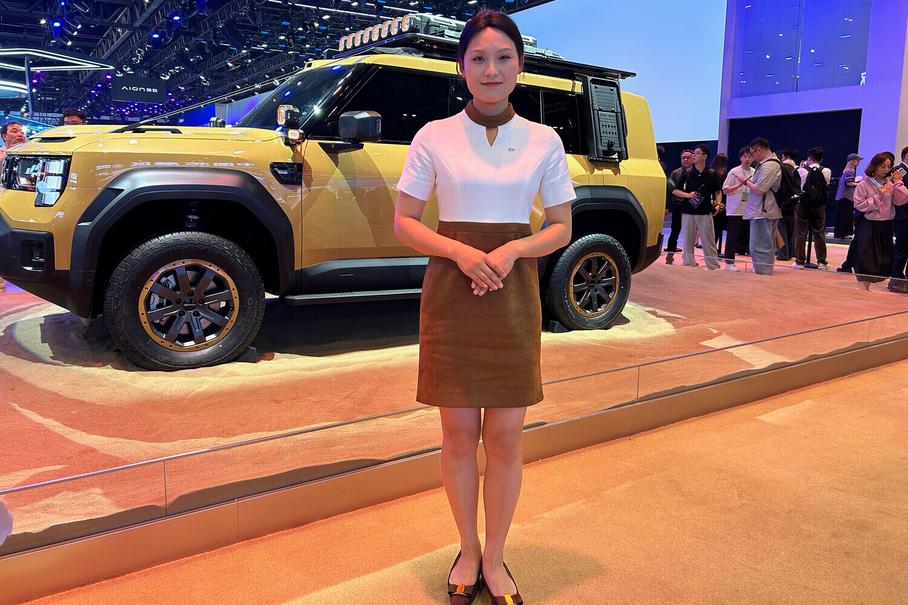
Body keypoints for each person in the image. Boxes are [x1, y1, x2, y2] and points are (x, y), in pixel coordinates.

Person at [393, 10, 575, 604]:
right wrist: (461, 253)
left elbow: (560, 226)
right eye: (479, 58)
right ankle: (467, 550)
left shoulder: (544, 140)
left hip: (512, 293)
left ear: (520, 66)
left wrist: (513, 249)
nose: (491, 69)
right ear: (462, 67)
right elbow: (405, 221)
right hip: (453, 290)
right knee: (456, 432)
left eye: (502, 58)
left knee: (506, 434)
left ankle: (495, 557)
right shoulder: (433, 135)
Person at [852, 152, 908, 290]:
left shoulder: (890, 184)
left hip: (886, 224)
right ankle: (863, 289)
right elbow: (860, 205)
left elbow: (902, 200)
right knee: (867, 258)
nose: (886, 169)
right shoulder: (864, 184)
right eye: (882, 166)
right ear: (875, 166)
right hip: (869, 225)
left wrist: (898, 182)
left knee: (883, 259)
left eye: (889, 166)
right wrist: (878, 195)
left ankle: (867, 288)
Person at [672, 144, 721, 270]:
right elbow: (675, 191)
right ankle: (689, 264)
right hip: (688, 212)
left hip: (705, 212)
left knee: (708, 241)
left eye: (697, 153)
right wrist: (688, 195)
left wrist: (717, 204)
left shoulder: (711, 173)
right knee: (688, 240)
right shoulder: (687, 173)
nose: (694, 156)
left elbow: (718, 191)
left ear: (704, 156)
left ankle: (713, 266)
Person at [742, 138, 783, 275]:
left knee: (760, 247)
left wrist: (745, 182)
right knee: (763, 245)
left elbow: (760, 190)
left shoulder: (769, 166)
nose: (752, 157)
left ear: (759, 150)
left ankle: (763, 275)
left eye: (752, 153)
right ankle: (763, 274)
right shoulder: (767, 164)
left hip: (763, 211)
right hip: (763, 210)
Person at [794, 147, 833, 268]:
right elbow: (826, 185)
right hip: (819, 205)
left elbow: (797, 185)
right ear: (821, 159)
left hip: (803, 205)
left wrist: (802, 167)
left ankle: (800, 261)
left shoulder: (801, 171)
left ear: (809, 158)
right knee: (819, 233)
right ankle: (822, 261)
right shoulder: (827, 171)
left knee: (801, 233)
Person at [721, 146, 755, 271]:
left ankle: (755, 264)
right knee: (732, 237)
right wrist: (738, 185)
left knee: (751, 238)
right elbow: (724, 190)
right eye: (745, 156)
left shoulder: (755, 172)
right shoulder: (734, 172)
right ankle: (729, 262)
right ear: (741, 158)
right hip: (735, 210)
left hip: (750, 210)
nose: (747, 159)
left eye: (750, 156)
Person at [665, 149, 693, 264]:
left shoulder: (697, 173)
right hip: (678, 205)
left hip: (692, 206)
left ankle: (688, 258)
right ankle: (669, 256)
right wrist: (667, 206)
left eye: (688, 157)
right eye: (683, 158)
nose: (685, 160)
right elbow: (669, 191)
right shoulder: (675, 173)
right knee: (675, 230)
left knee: (690, 232)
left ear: (693, 158)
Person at [889, 146, 908, 292]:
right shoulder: (899, 170)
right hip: (903, 215)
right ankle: (895, 279)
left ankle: (902, 278)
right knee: (902, 248)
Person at [774, 149, 799, 261]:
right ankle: (791, 252)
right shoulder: (797, 170)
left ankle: (783, 254)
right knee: (790, 229)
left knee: (781, 229)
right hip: (793, 204)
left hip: (782, 204)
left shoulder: (781, 169)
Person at [834, 153, 862, 239]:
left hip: (841, 196)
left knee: (842, 216)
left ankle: (840, 233)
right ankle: (845, 233)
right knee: (846, 215)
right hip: (847, 196)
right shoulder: (851, 171)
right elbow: (849, 183)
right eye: (857, 160)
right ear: (852, 161)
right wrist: (860, 184)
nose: (858, 162)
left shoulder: (845, 170)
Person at [711, 153, 729, 255]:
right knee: (718, 229)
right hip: (722, 204)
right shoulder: (725, 174)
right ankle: (715, 249)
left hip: (713, 203)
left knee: (713, 229)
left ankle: (712, 249)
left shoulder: (711, 172)